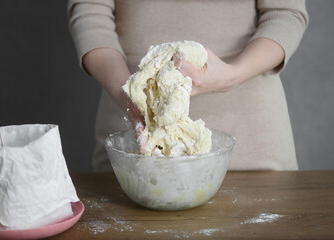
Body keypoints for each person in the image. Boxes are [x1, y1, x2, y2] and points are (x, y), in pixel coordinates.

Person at [67, 0, 308, 172]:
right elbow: (90, 13)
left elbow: (285, 12)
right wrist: (131, 97)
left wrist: (233, 75)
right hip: (136, 138)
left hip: (251, 145)